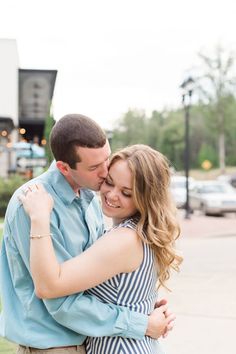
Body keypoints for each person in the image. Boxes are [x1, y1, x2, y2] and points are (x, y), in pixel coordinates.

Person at [0, 114, 175, 354]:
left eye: (107, 159)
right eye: (95, 167)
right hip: (54, 346)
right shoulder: (32, 204)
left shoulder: (93, 198)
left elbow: (100, 275)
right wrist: (141, 321)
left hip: (102, 342)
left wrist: (137, 302)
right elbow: (59, 298)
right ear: (64, 167)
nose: (105, 174)